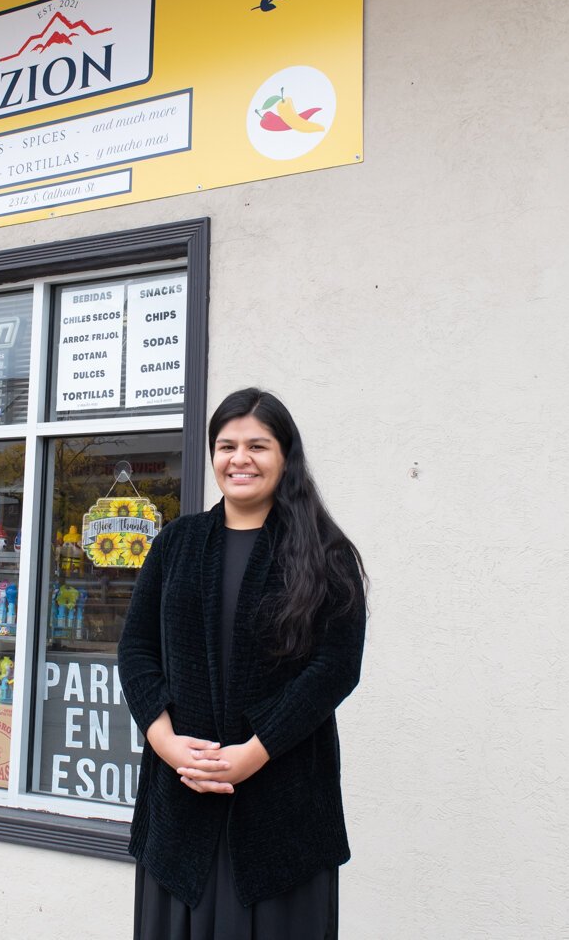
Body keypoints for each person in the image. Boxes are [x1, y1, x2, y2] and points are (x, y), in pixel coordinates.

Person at [119, 388, 368, 939]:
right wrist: (166, 743)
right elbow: (135, 651)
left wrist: (254, 753)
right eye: (227, 446)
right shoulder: (177, 543)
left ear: (285, 455)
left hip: (283, 814)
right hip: (179, 806)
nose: (240, 459)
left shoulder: (325, 553)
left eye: (258, 445)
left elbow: (335, 668)